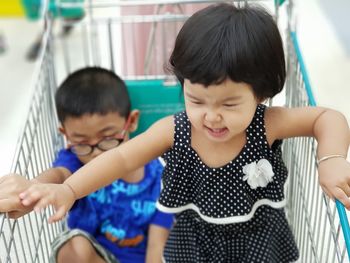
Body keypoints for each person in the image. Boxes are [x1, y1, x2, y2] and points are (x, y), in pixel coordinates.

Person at [14, 3, 350, 263]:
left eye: (230, 105)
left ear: (260, 95)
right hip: (194, 243)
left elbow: (327, 117)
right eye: (196, 99)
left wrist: (332, 159)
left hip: (258, 242)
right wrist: (70, 189)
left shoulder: (269, 122)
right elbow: (120, 157)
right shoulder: (174, 131)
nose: (212, 116)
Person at [0, 67, 173, 263]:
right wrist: (33, 188)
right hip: (97, 257)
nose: (96, 153)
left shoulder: (159, 174)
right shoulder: (74, 160)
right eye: (82, 142)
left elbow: (158, 244)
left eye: (108, 138)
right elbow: (59, 176)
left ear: (131, 121)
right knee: (74, 246)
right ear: (66, 134)